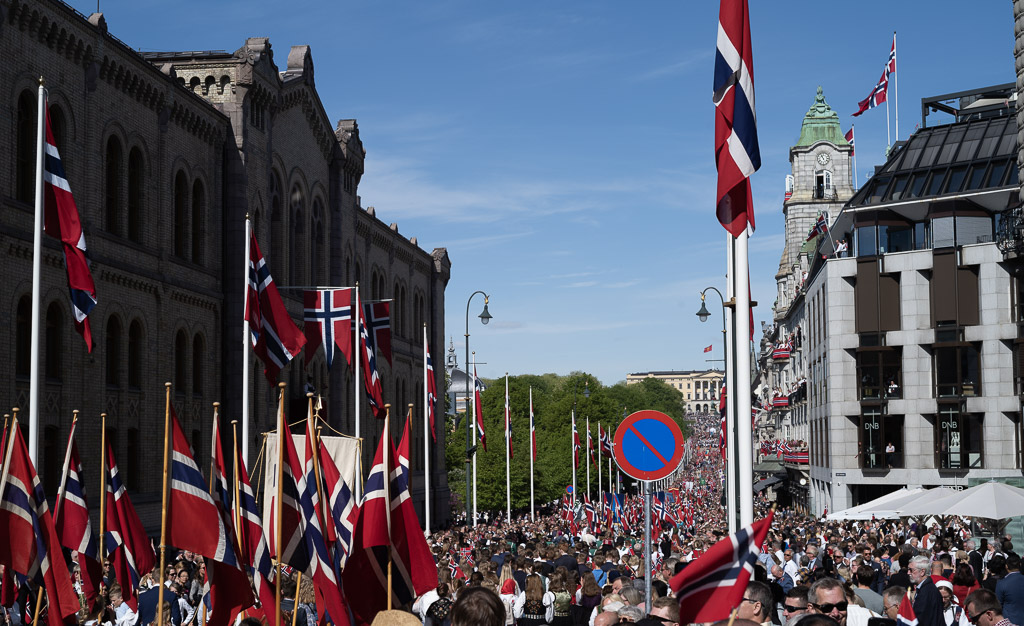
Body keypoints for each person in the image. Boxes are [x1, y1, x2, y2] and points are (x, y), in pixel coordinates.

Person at [909, 555, 945, 626]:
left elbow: (920, 619)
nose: (909, 573)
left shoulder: (926, 592)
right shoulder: (926, 588)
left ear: (922, 572)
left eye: (911, 570)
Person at [997, 554, 1024, 626]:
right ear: (1020, 565)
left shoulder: (1002, 583)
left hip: (1011, 621)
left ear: (1006, 566)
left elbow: (998, 604)